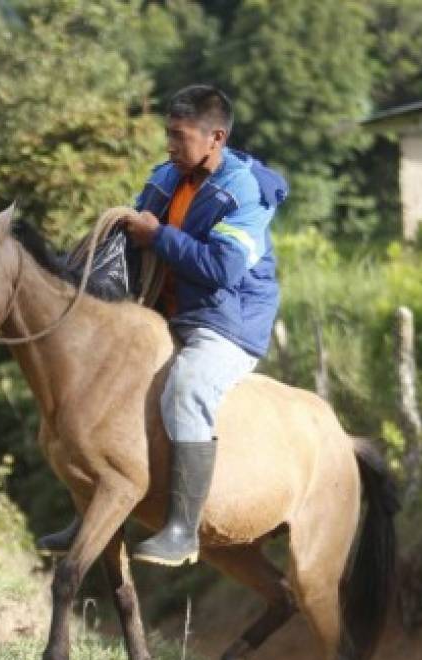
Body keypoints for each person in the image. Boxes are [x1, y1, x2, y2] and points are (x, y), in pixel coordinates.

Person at [37, 84, 288, 567]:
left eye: (179, 135)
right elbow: (138, 236)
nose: (170, 145)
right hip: (167, 314)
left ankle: (182, 530)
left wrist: (159, 236)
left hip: (227, 324)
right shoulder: (166, 177)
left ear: (215, 137)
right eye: (168, 134)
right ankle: (90, 508)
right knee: (105, 380)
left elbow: (221, 269)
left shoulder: (245, 193)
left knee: (187, 389)